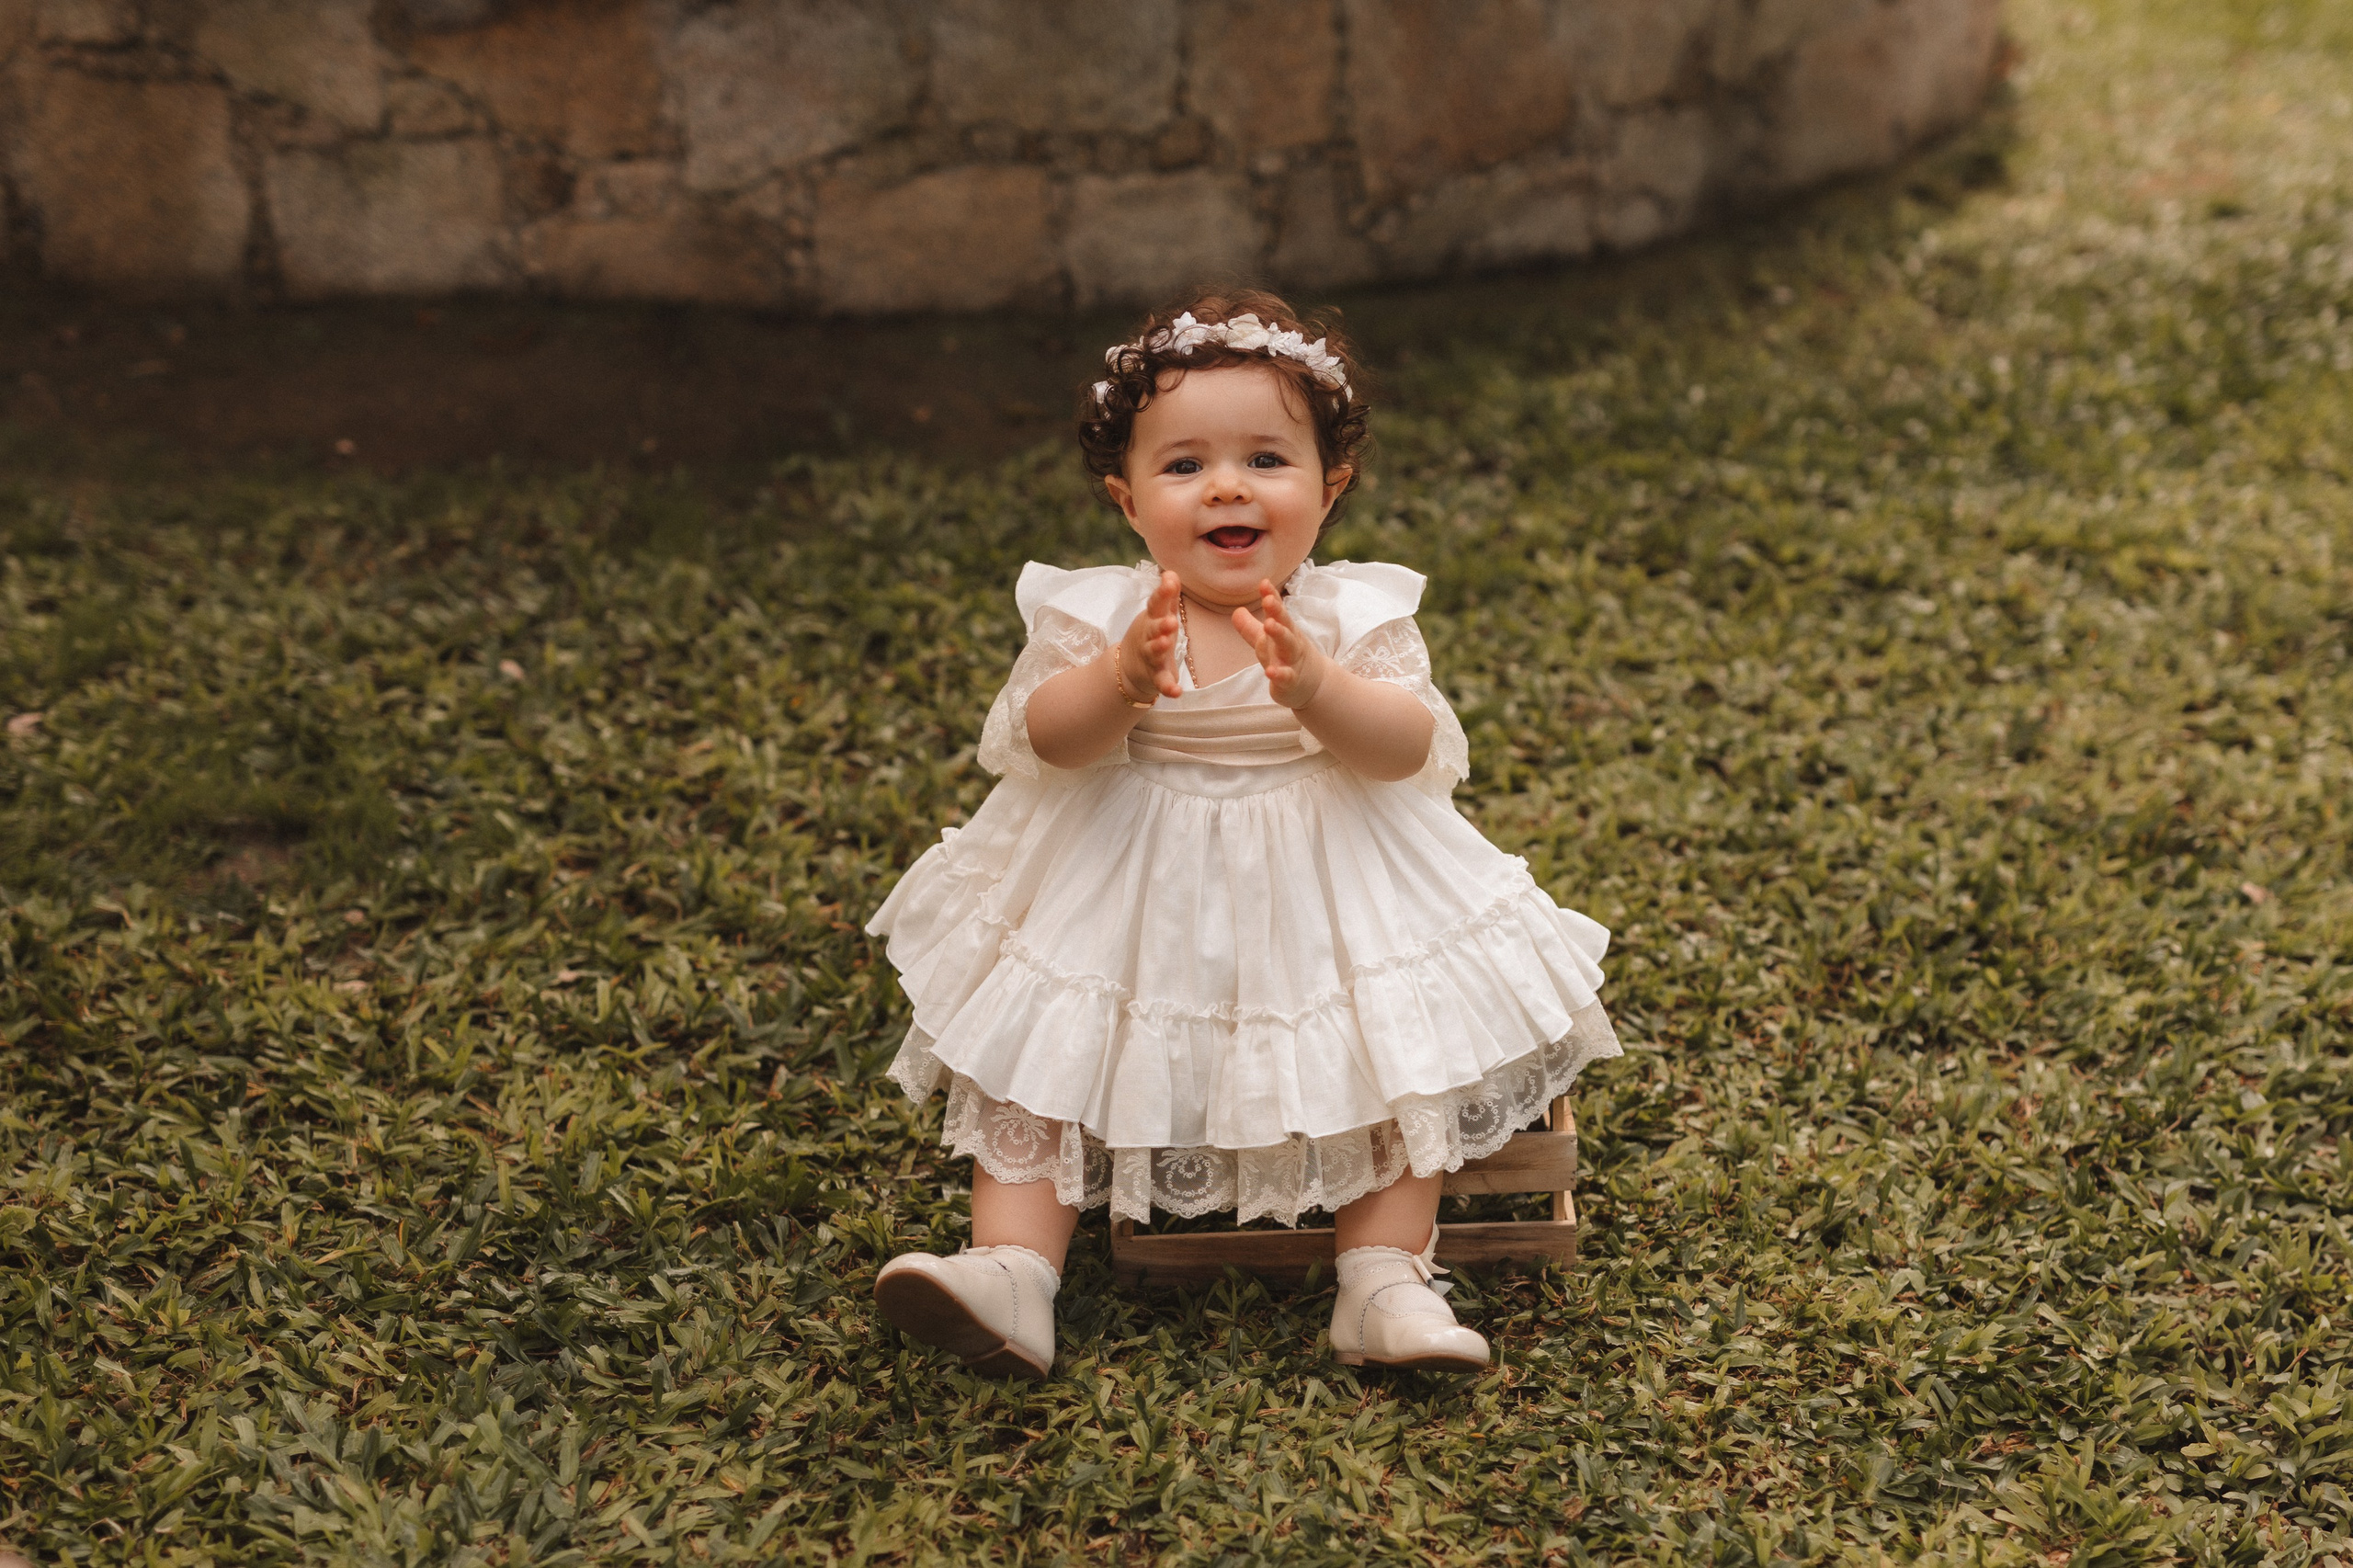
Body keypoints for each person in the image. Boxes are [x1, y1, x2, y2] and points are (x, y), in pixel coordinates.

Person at [864, 289, 1620, 1378]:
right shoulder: (1104, 612)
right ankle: (1012, 1269)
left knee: (1392, 1063)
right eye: (1183, 467)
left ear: (1331, 486)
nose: (1225, 484)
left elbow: (1404, 744)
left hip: (1324, 878)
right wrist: (1119, 682)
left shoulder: (1352, 616)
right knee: (1038, 1055)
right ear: (1129, 502)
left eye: (1266, 458)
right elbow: (1047, 737)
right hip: (1130, 879)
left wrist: (1318, 688)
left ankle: (1384, 1279)